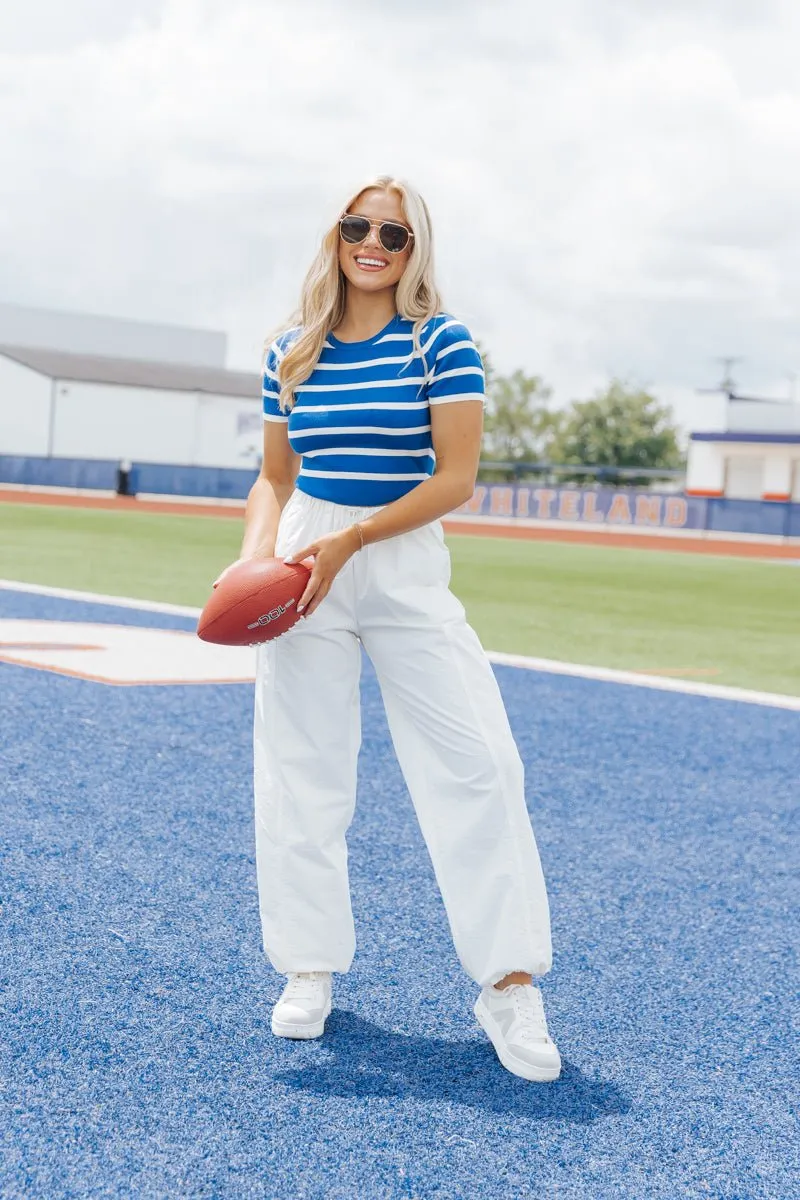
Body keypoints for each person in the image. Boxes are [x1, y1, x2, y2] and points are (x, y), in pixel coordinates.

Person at [223, 174, 561, 1083]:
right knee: (300, 767)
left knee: (480, 765)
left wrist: (356, 541)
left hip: (400, 556)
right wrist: (255, 558)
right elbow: (274, 479)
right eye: (358, 225)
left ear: (416, 251)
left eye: (395, 233)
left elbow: (455, 480)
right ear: (335, 235)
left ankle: (509, 982)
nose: (373, 241)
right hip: (304, 556)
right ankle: (308, 965)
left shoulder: (441, 343)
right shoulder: (289, 350)